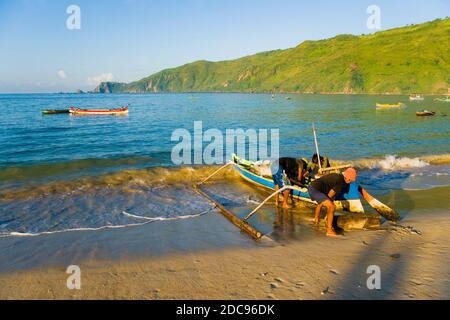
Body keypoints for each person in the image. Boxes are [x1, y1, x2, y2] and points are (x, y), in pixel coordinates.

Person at [308, 167, 357, 237]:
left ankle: (316, 219)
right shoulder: (340, 183)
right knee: (332, 206)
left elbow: (328, 196)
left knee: (322, 202)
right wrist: (329, 209)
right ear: (348, 179)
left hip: (312, 186)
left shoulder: (338, 176)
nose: (351, 182)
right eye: (351, 180)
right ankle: (329, 230)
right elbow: (330, 195)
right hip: (315, 189)